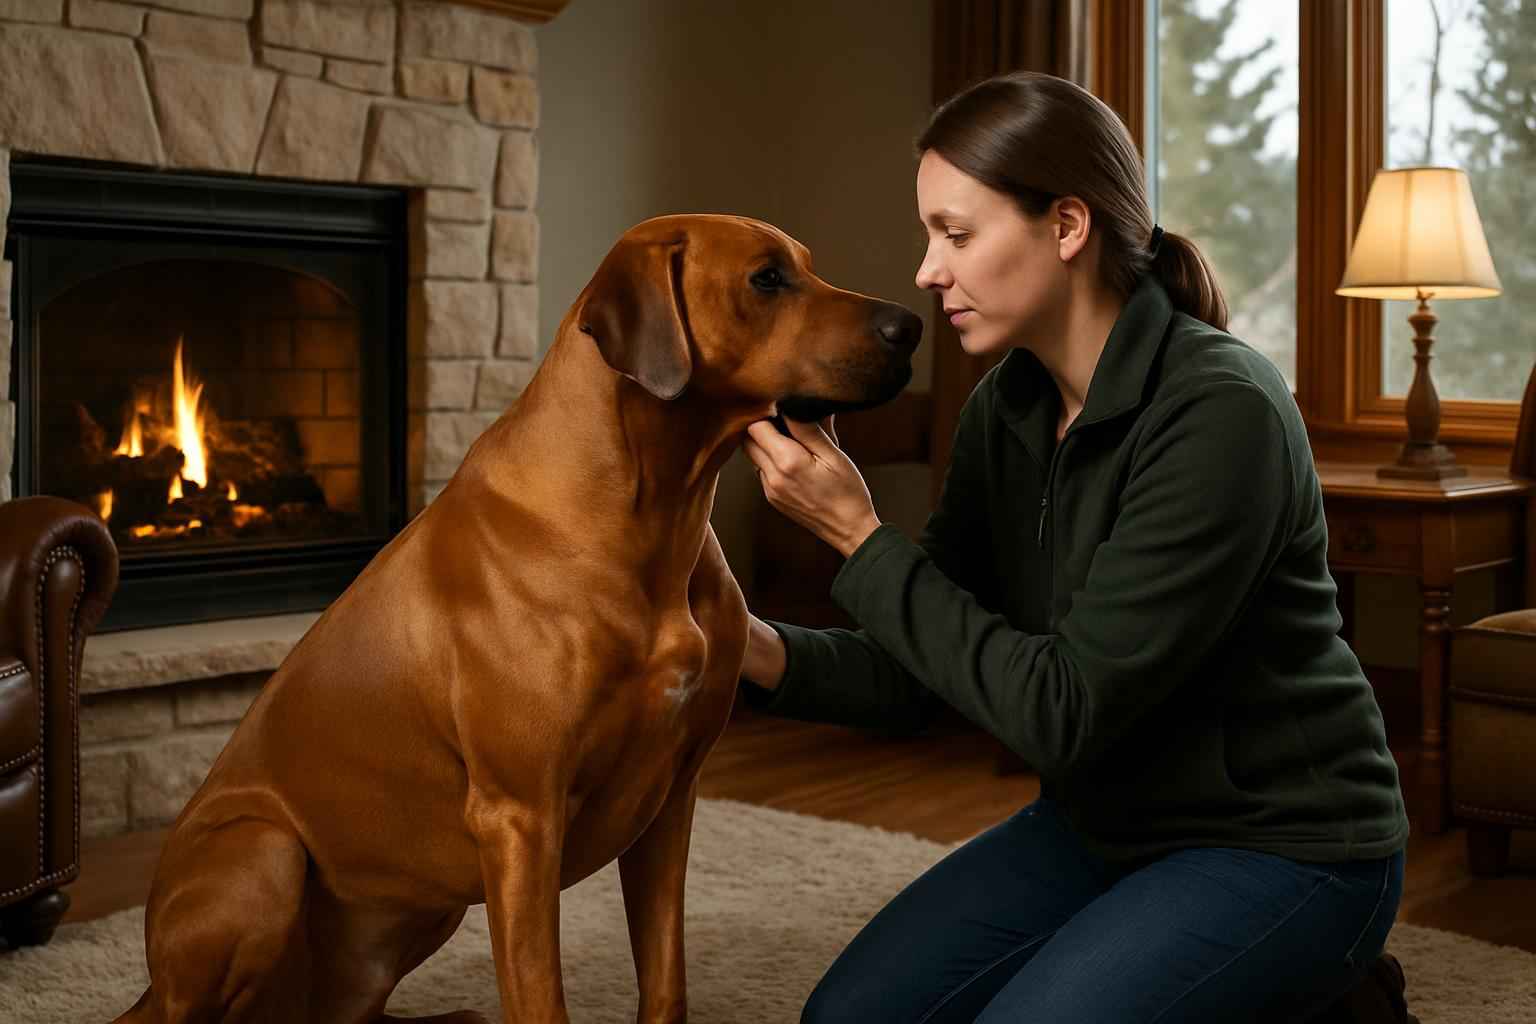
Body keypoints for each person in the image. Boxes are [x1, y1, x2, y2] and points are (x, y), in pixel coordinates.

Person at [738, 71, 1413, 1024]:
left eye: (957, 235)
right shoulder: (1006, 408)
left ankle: (1328, 987)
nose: (929, 271)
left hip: (1286, 845)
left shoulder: (1220, 412)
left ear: (1065, 226)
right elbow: (926, 669)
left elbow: (1060, 713)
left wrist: (857, 534)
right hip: (1099, 828)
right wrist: (752, 647)